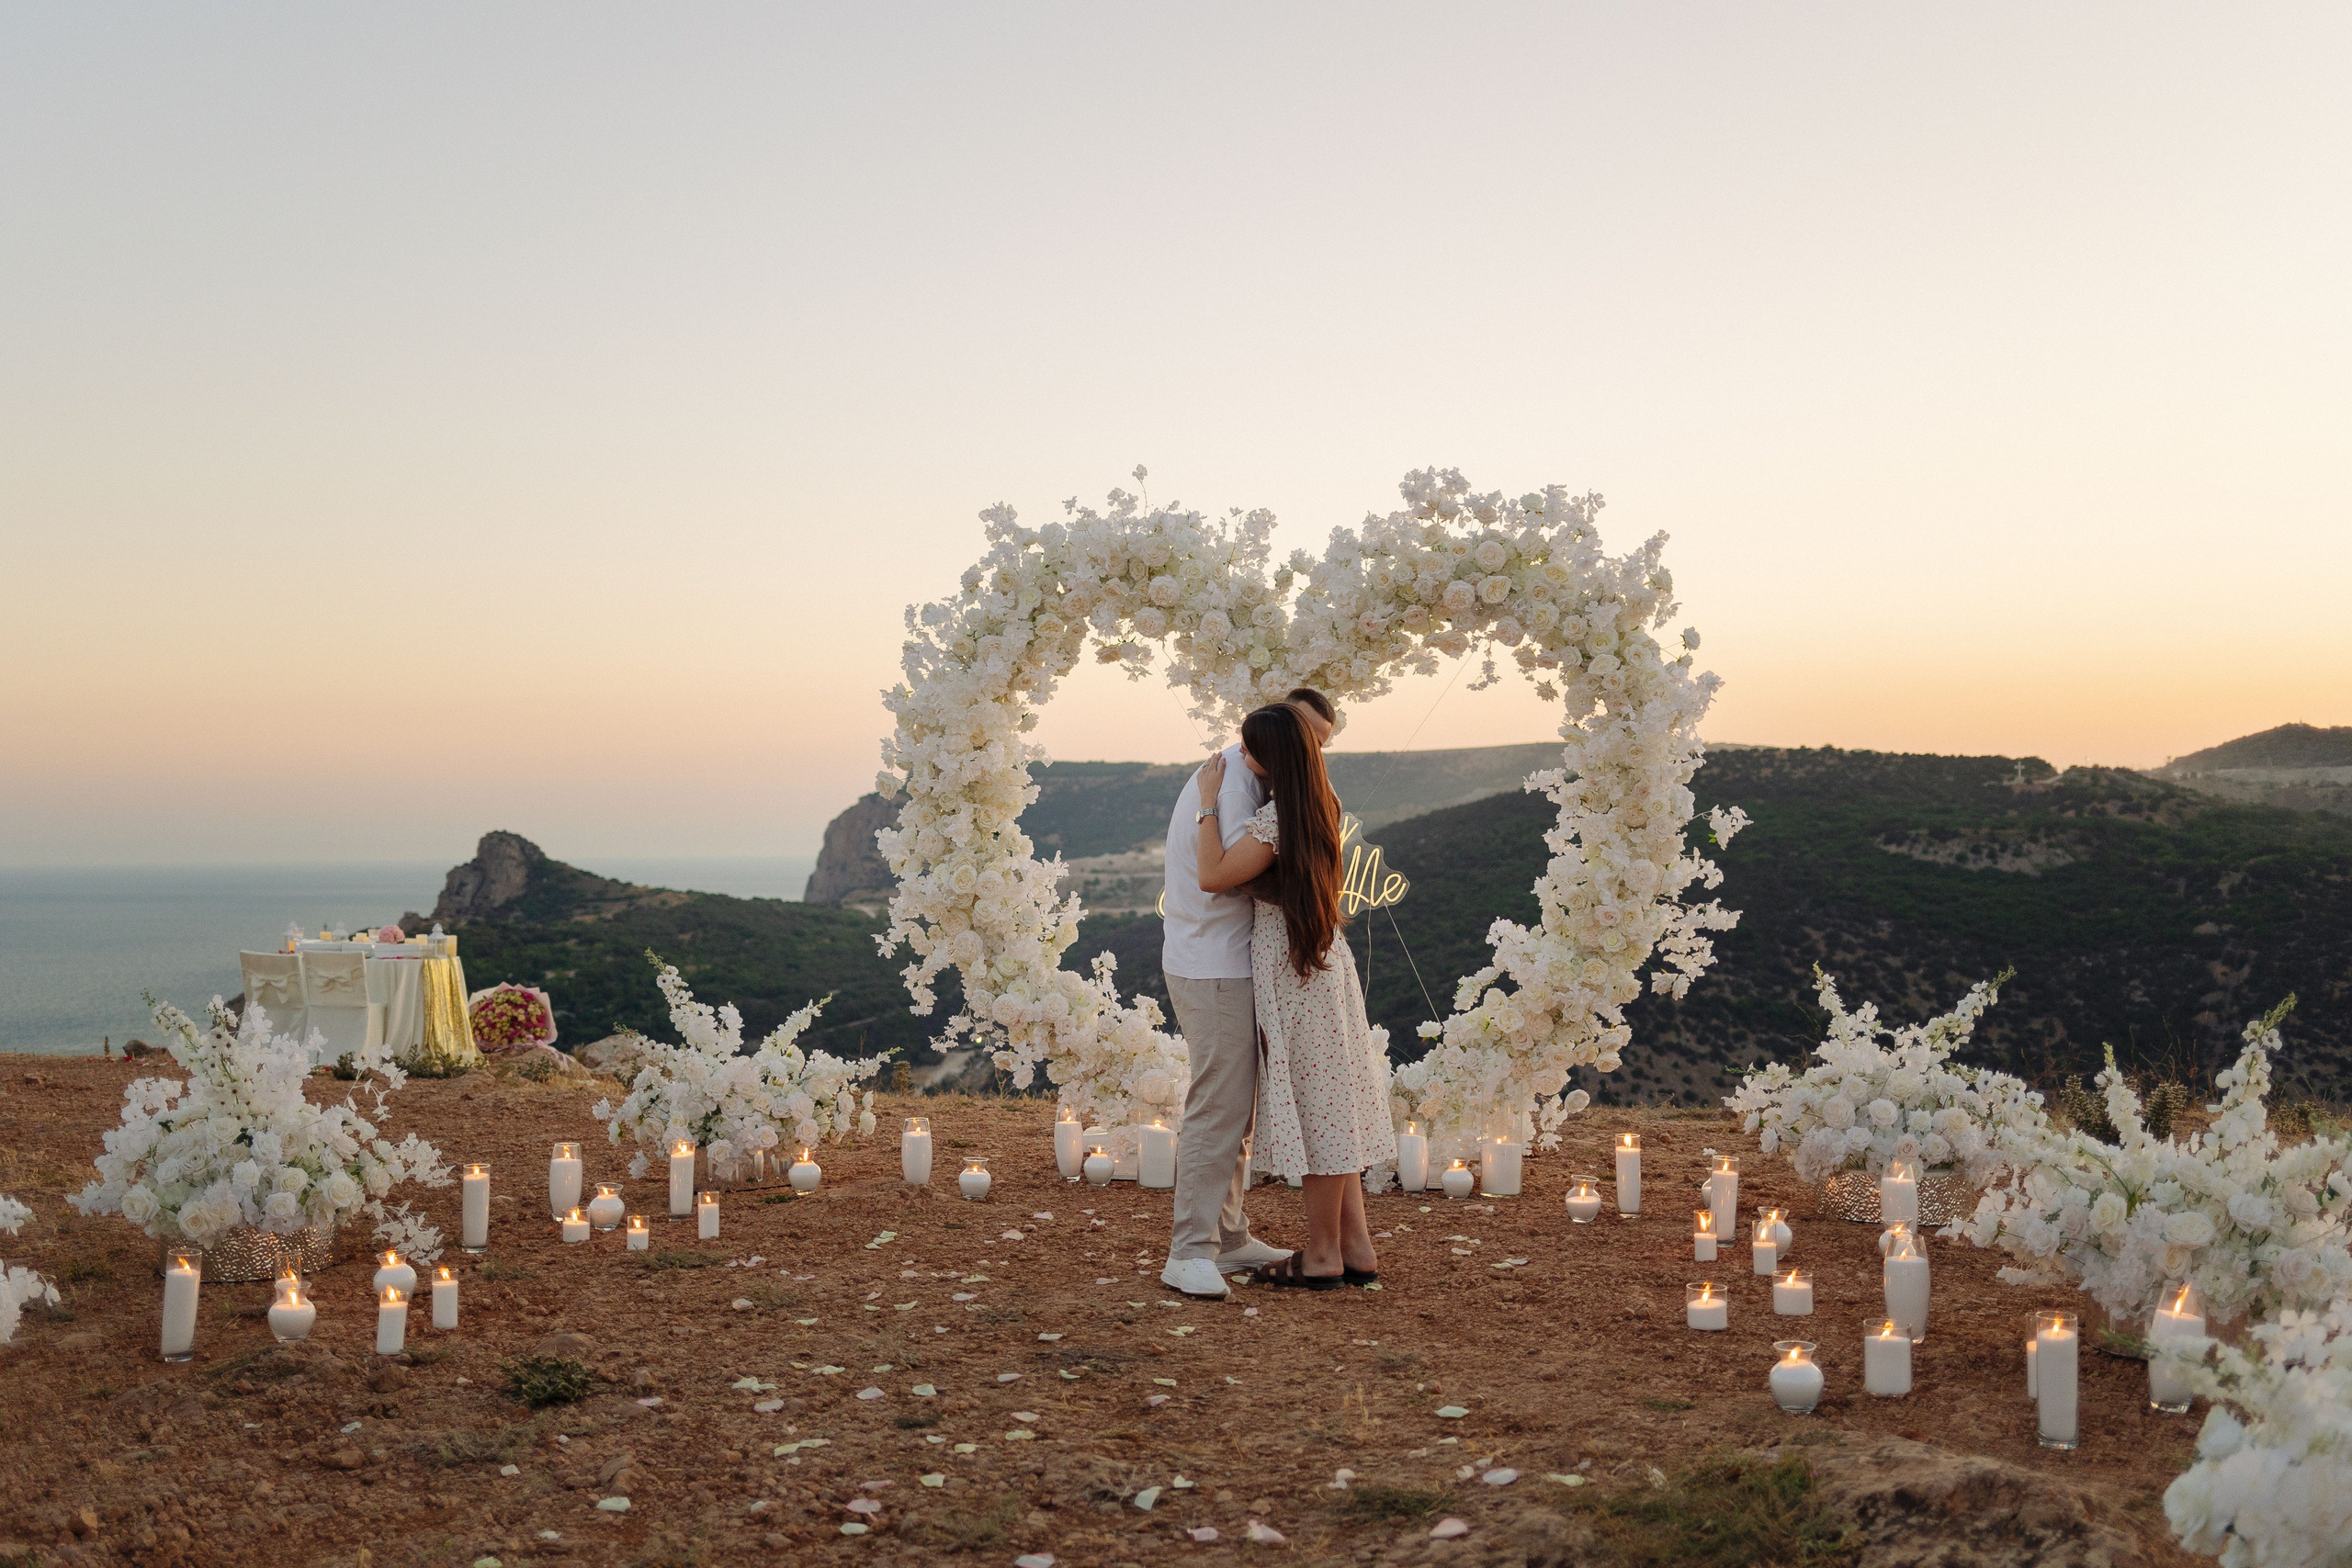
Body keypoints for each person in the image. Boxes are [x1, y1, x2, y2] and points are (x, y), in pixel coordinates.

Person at [1194, 701, 1394, 1289]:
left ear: (1271, 757)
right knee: (1334, 1102)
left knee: (1321, 1110)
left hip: (1294, 976)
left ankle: (1324, 1253)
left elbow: (1212, 874)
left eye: (1249, 744)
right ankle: (1356, 1248)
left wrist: (1209, 799)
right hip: (1323, 967)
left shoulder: (1278, 820)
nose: (1241, 750)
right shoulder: (1317, 805)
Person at [1157, 688, 1335, 1301]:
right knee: (1219, 1105)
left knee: (1240, 1108)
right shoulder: (1233, 791)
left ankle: (1227, 1235)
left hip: (1229, 962)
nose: (1316, 751)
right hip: (1211, 966)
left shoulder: (1250, 782)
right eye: (1309, 738)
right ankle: (1189, 1250)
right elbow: (1221, 878)